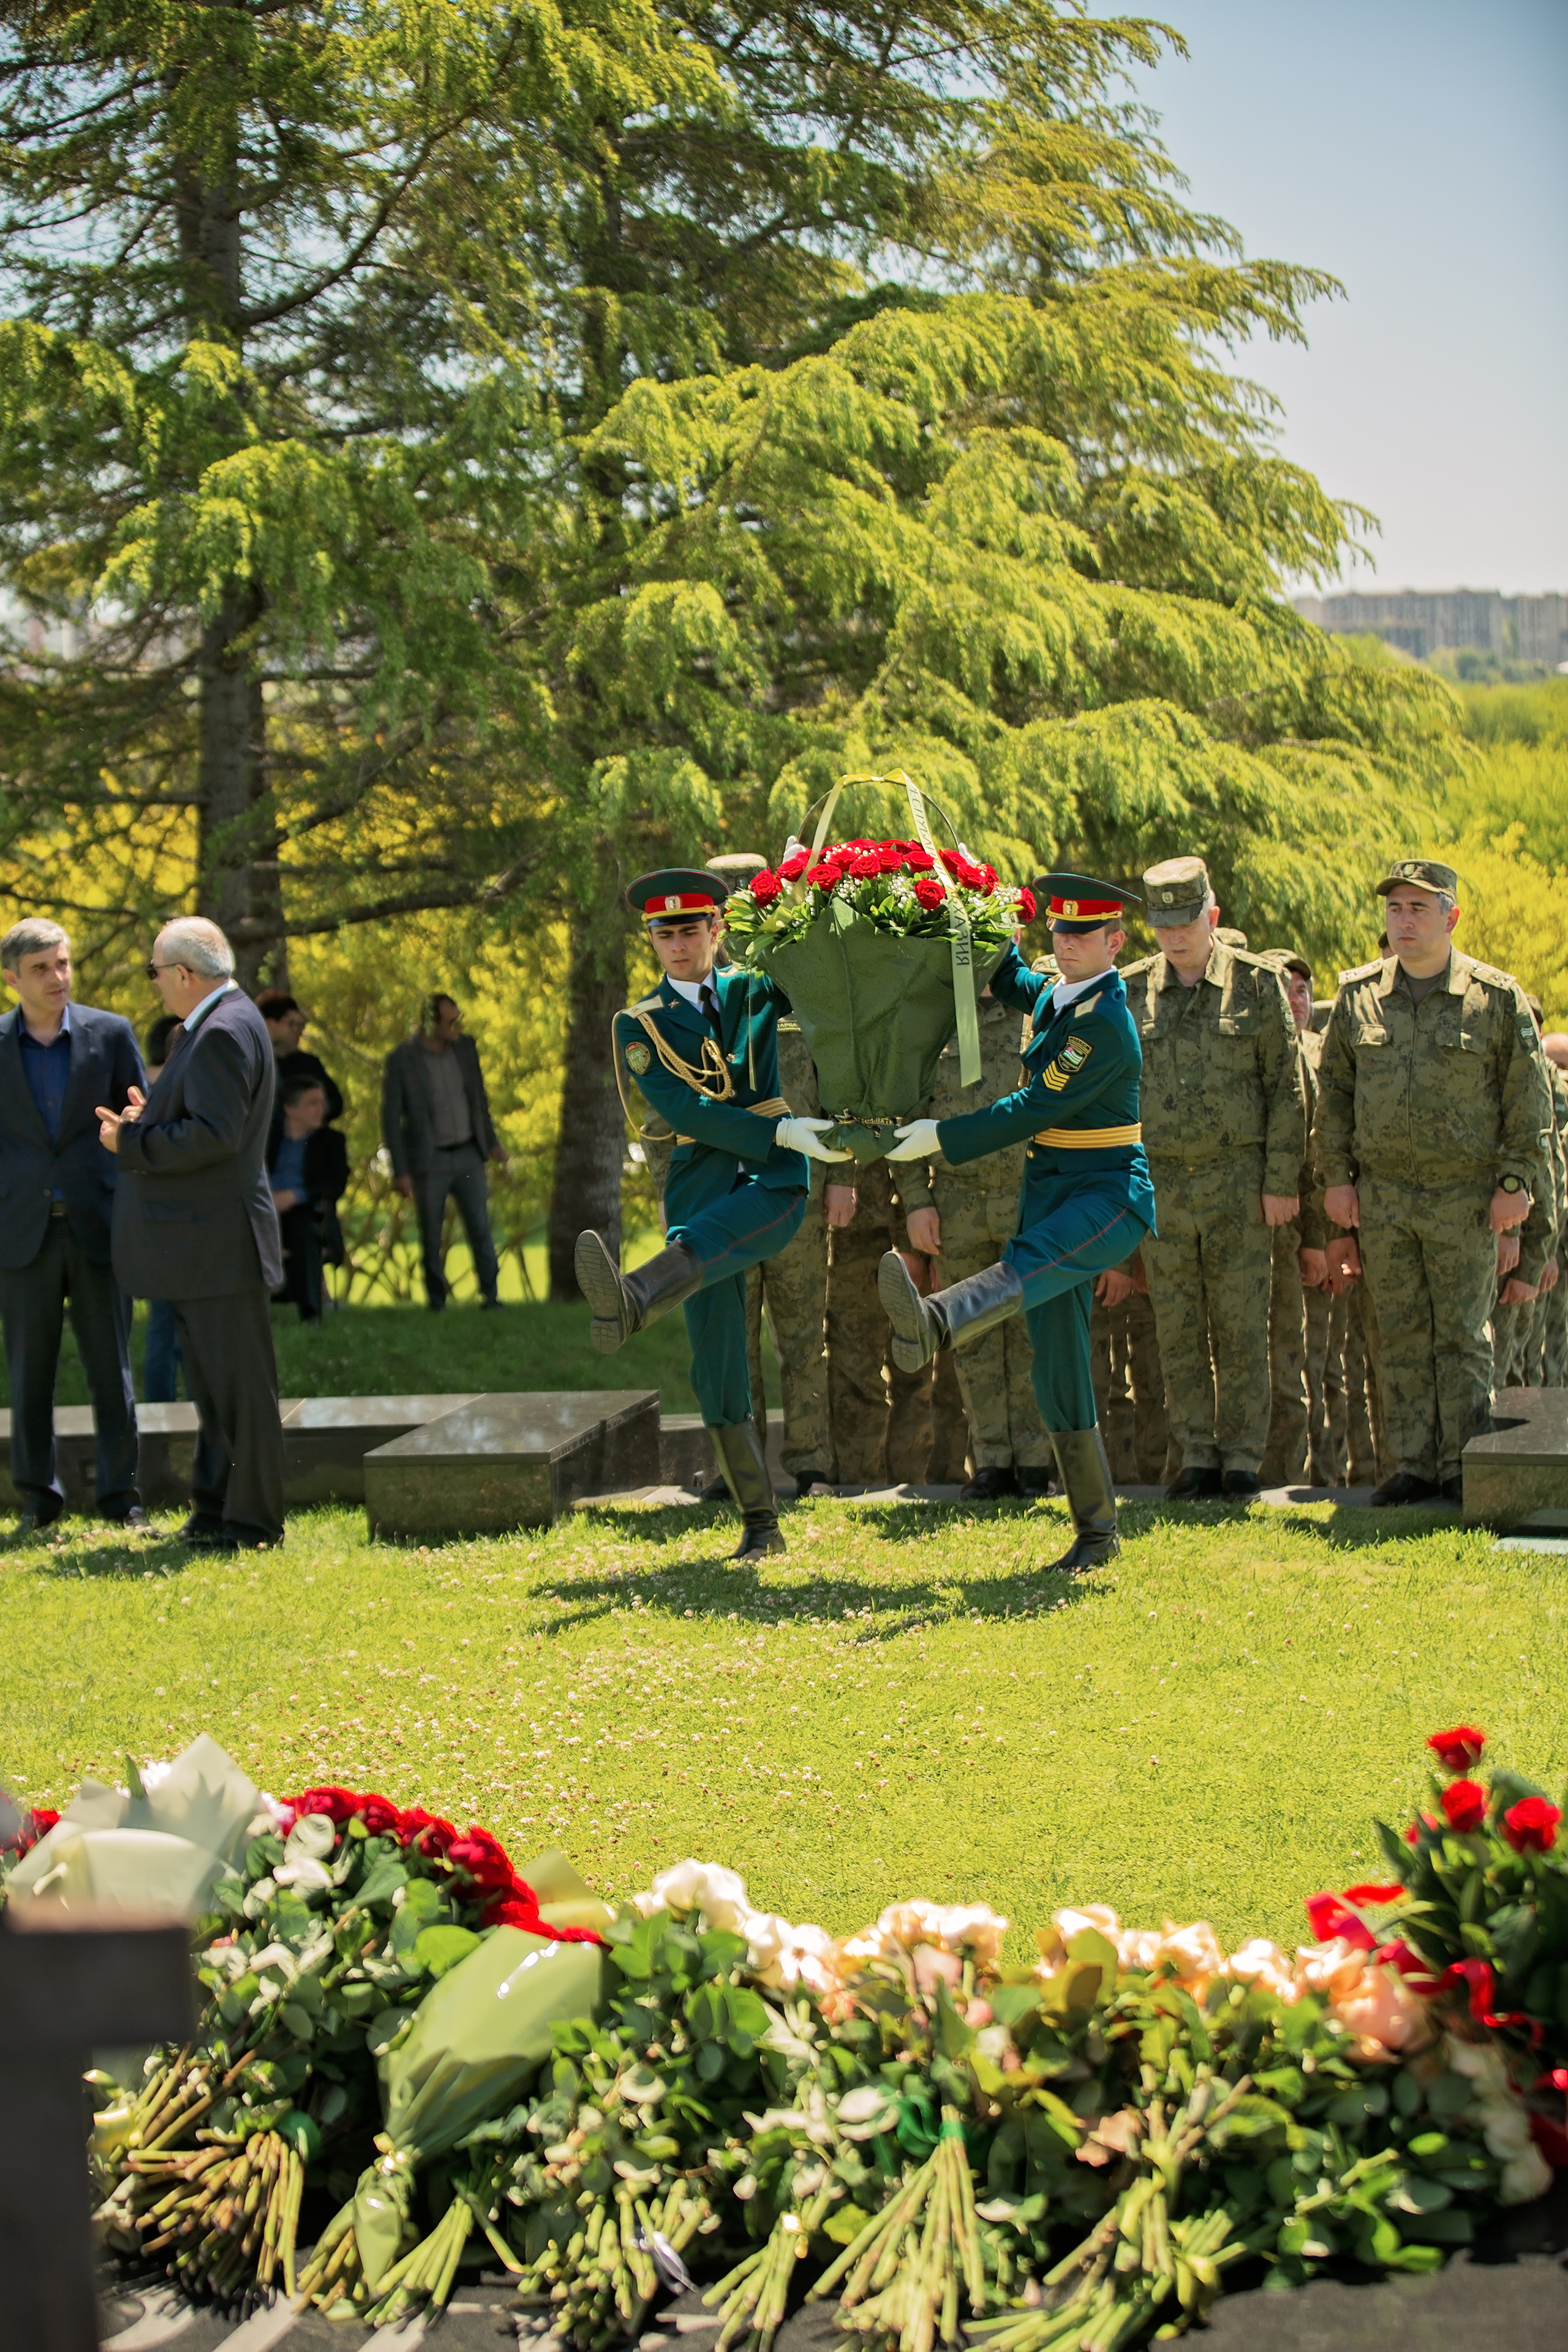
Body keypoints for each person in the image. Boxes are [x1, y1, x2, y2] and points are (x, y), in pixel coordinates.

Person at [878, 874, 1153, 1572]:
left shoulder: (1103, 1026)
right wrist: (964, 905)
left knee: (1030, 1261)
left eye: (1083, 935)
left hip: (1106, 1197)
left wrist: (941, 1135)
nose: (1066, 944)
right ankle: (1096, 1534)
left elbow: (1031, 1108)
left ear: (1115, 943)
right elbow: (1010, 978)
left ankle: (937, 1319)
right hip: (1055, 1193)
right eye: (1059, 932)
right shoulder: (1061, 997)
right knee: (1057, 1366)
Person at [575, 867, 846, 1558]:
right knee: (718, 1363)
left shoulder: (757, 990)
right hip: (704, 1184)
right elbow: (686, 1110)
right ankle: (760, 1525)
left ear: (716, 930)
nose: (676, 945)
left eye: (689, 930)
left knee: (719, 1241)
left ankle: (637, 1294)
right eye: (663, 934)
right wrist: (779, 1129)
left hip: (771, 1182)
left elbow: (814, 964)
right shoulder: (638, 1024)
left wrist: (800, 889)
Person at [1316, 858, 1554, 1504]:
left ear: (1450, 916)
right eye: (1394, 909)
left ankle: (1462, 1466)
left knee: (1461, 1336)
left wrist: (1513, 1183)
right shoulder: (1358, 994)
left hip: (1463, 1198)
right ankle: (1412, 1465)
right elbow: (1333, 1095)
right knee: (1396, 1331)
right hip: (1385, 1196)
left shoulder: (1494, 997)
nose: (1403, 921)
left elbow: (1527, 1104)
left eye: (1418, 909)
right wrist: (1336, 1181)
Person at [98, 916, 285, 1550]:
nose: (154, 984)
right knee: (213, 1393)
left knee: (240, 1393)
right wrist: (151, 1117)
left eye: (154, 972)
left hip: (221, 1240)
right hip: (205, 1244)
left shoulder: (221, 1033)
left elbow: (214, 1136)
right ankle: (215, 1510)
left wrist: (130, 1140)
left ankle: (253, 1521)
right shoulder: (213, 1025)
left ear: (182, 973)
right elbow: (204, 1119)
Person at [1121, 857, 1305, 1500]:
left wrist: (1281, 1180)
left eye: (1186, 921)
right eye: (1163, 923)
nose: (1174, 936)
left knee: (1241, 1327)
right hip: (1163, 1187)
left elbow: (1286, 1088)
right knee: (1176, 1326)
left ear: (1212, 917)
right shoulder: (1130, 989)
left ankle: (1241, 1458)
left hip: (1238, 1185)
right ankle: (1195, 1452)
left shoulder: (1257, 985)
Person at [0, 918, 146, 1537]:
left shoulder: (110, 1034)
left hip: (96, 1224)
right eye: (41, 969)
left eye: (63, 964)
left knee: (109, 1370)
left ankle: (121, 1499)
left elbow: (140, 1116)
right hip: (21, 1231)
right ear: (11, 980)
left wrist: (136, 1124)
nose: (57, 977)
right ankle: (38, 1501)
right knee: (29, 1374)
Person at [913, 978, 1055, 1499]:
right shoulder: (935, 1017)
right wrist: (916, 1201)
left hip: (1028, 1197)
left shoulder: (1044, 1007)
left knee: (1030, 1332)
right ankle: (993, 1459)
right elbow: (908, 1111)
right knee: (972, 1334)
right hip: (957, 1203)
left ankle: (1036, 1461)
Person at [381, 993, 506, 1310]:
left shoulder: (466, 1049)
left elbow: (480, 1100)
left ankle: (491, 1297)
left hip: (468, 1154)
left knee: (480, 1225)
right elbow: (391, 1117)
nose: (458, 1027)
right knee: (430, 1234)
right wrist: (400, 1171)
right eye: (451, 1021)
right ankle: (437, 1302)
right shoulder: (402, 1059)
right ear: (429, 1023)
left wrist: (491, 1143)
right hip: (430, 1158)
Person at [1257, 949, 1321, 1485]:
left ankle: (1287, 1476)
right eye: (1283, 988)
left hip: (1287, 1231)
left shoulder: (1309, 1058)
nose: (1293, 1000)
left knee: (1290, 1362)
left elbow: (1314, 1160)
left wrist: (1318, 1239)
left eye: (1302, 989)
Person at [267, 1076, 350, 1321]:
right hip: (263, 1207)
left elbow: (334, 1183)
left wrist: (295, 1196)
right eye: (312, 1103)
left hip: (303, 1208)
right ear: (290, 1108)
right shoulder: (268, 1139)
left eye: (322, 1102)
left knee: (304, 1231)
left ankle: (311, 1314)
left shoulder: (331, 1142)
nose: (321, 1109)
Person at [140, 1011, 187, 1404]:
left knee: (164, 1322)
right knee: (179, 1326)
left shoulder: (134, 1087)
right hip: (181, 1218)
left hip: (148, 1221)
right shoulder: (171, 1089)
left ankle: (161, 1410)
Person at [254, 989, 345, 1123]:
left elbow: (336, 1103)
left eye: (300, 1025)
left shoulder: (309, 1064)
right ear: (270, 1025)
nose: (299, 1032)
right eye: (291, 1024)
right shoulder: (253, 1063)